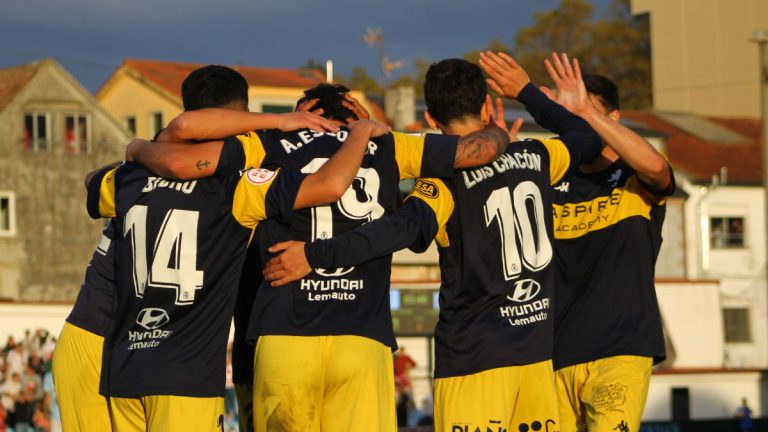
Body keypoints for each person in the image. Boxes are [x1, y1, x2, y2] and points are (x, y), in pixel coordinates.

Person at [142, 82, 511, 431]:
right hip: (361, 339)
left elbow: (184, 141)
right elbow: (474, 151)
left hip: (284, 336)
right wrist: (499, 131)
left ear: (303, 116)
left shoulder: (269, 141)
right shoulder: (390, 145)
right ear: (357, 118)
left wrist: (277, 122)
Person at [262, 55, 602, 431]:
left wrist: (316, 254)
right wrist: (526, 92)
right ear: (487, 105)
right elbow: (586, 136)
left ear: (429, 120)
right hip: (537, 354)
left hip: (475, 358)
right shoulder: (536, 157)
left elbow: (394, 231)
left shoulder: (442, 185)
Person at [52, 64, 337, 432]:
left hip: (98, 338)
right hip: (138, 349)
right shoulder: (243, 159)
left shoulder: (144, 163)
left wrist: (137, 150)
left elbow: (95, 181)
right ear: (239, 116)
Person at [536, 53, 674, 432]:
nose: (577, 125)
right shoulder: (550, 182)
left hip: (621, 349)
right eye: (569, 118)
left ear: (614, 119)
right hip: (555, 354)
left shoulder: (635, 175)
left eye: (589, 114)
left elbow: (658, 168)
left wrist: (585, 113)